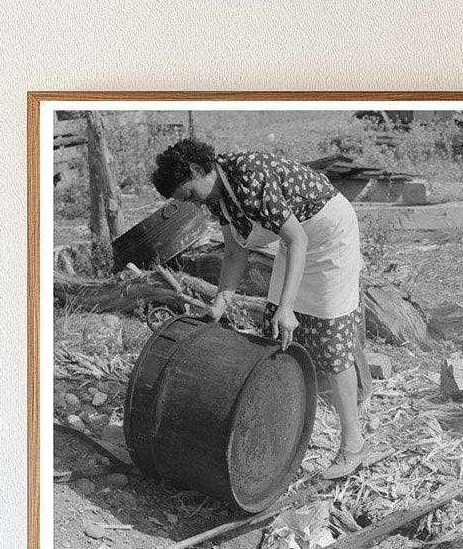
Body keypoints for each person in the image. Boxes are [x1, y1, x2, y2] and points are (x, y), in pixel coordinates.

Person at [152, 138, 366, 481]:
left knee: (331, 344)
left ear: (195, 170)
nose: (195, 203)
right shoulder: (217, 194)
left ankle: (353, 445)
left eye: (190, 194)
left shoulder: (250, 174)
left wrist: (288, 306)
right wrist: (221, 301)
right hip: (296, 240)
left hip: (327, 237)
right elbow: (236, 250)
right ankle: (282, 432)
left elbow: (298, 238)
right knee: (274, 333)